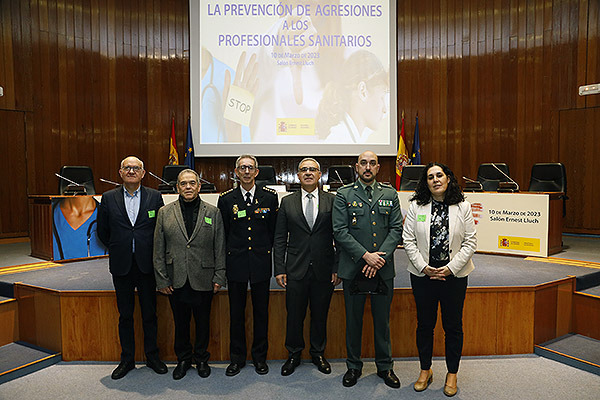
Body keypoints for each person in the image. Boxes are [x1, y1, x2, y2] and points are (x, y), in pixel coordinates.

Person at [402, 162, 476, 397]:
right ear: (426, 182)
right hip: (423, 276)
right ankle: (426, 370)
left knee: (452, 326)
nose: (435, 180)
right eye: (430, 177)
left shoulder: (462, 206)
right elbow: (408, 240)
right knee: (425, 325)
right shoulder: (416, 206)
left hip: (454, 277)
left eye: (439, 175)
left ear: (448, 178)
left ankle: (452, 373)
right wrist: (424, 267)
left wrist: (450, 269)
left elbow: (470, 242)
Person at [332, 150, 403, 388]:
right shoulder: (343, 194)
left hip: (383, 268)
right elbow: (340, 231)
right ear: (356, 167)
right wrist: (366, 256)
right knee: (353, 321)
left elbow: (396, 229)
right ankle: (353, 366)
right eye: (363, 163)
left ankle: (385, 366)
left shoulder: (389, 194)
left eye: (372, 163)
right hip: (354, 268)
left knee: (382, 322)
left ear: (378, 167)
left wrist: (378, 259)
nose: (368, 167)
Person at [97, 156, 167, 379]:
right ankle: (127, 359)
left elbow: (161, 229)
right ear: (120, 172)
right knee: (125, 315)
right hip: (122, 265)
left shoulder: (155, 197)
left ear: (143, 173)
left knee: (150, 314)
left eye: (136, 168)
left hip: (147, 266)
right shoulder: (108, 198)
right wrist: (121, 247)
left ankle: (152, 356)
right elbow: (103, 231)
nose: (131, 171)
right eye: (127, 168)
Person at [153, 169, 226, 380]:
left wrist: (219, 276)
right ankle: (184, 359)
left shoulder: (213, 212)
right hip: (176, 278)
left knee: (203, 323)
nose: (188, 187)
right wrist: (161, 279)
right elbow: (158, 249)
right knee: (181, 323)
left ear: (199, 186)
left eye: (192, 183)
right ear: (177, 187)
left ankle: (202, 358)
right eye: (183, 183)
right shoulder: (165, 212)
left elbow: (219, 247)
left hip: (204, 277)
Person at [273, 157, 340, 376]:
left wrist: (337, 267)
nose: (308, 173)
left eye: (313, 169)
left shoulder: (333, 200)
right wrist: (280, 269)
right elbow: (280, 238)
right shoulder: (287, 202)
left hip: (324, 268)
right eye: (304, 170)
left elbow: (339, 237)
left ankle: (318, 353)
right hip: (295, 268)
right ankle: (293, 354)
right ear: (298, 175)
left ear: (320, 175)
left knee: (320, 314)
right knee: (294, 314)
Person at [217, 155, 278, 376]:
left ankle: (260, 358)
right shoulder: (226, 199)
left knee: (261, 312)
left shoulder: (270, 198)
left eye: (250, 168)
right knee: (236, 313)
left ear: (257, 172)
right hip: (237, 263)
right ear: (235, 171)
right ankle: (237, 358)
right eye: (242, 168)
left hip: (261, 262)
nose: (246, 172)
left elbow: (272, 232)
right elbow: (223, 234)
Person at [316, 50, 389, 144]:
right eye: (382, 97)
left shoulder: (351, 132)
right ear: (363, 91)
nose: (385, 109)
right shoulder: (340, 141)